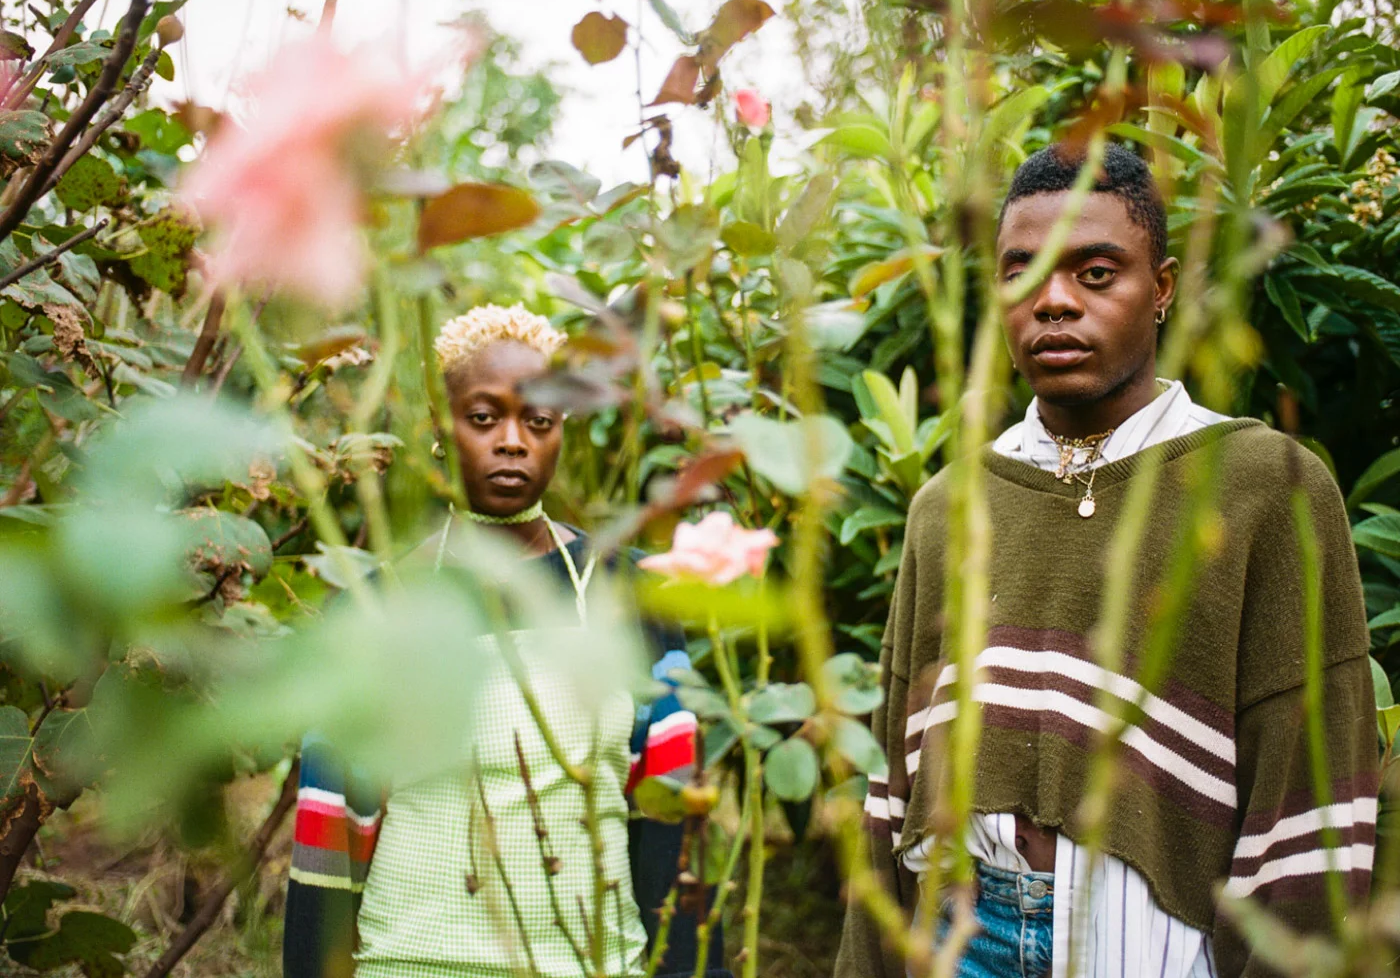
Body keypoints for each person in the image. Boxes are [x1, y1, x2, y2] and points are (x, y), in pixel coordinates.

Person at [835, 144, 1377, 978]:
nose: (1053, 302)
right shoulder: (947, 506)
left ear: (1160, 289)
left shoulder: (1266, 487)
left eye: (1095, 274)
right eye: (1024, 272)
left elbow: (1310, 788)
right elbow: (893, 779)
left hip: (1155, 942)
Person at [283, 304, 726, 978]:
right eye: (484, 418)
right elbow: (329, 837)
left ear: (562, 432)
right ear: (440, 427)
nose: (512, 440)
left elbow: (672, 828)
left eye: (537, 421)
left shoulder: (631, 595)